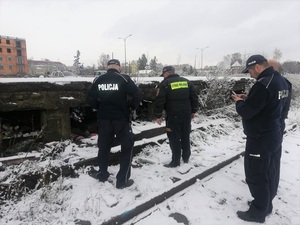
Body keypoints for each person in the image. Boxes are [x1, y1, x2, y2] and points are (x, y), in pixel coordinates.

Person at [232, 55, 290, 223]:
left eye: (250, 70)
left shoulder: (262, 85)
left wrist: (238, 102)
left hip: (260, 137)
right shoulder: (280, 81)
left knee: (256, 174)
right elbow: (269, 104)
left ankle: (257, 212)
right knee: (270, 171)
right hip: (274, 133)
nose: (250, 74)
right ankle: (265, 204)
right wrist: (248, 100)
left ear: (257, 66)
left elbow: (246, 112)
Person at [86, 59, 142, 189]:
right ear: (119, 67)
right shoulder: (124, 79)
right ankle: (122, 181)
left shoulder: (98, 80)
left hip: (104, 119)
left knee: (104, 147)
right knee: (127, 148)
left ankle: (102, 174)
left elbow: (90, 98)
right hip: (121, 119)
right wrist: (130, 108)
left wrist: (99, 107)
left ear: (107, 67)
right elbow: (138, 94)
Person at [154, 66, 198, 168]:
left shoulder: (165, 84)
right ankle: (186, 158)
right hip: (186, 115)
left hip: (173, 115)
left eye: (163, 75)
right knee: (185, 135)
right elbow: (194, 97)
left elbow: (160, 100)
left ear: (166, 74)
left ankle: (175, 161)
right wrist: (193, 111)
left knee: (174, 137)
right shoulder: (186, 82)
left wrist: (158, 115)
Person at [267, 59, 292, 198]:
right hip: (279, 123)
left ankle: (270, 190)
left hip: (274, 124)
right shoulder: (285, 83)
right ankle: (272, 187)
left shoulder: (274, 84)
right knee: (275, 157)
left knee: (271, 158)